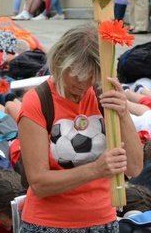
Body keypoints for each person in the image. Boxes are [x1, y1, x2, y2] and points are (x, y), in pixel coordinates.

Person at [17, 23, 143, 232]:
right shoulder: (37, 101)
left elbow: (134, 168)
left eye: (90, 75)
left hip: (103, 220)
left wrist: (123, 114)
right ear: (59, 62)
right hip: (48, 224)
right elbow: (39, 183)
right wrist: (96, 169)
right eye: (75, 74)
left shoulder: (105, 96)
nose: (82, 83)